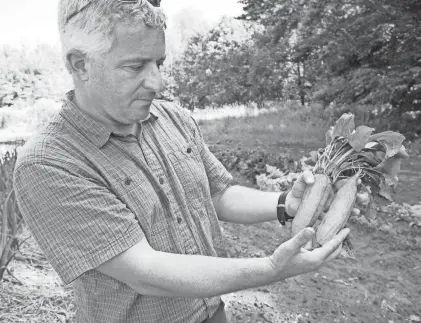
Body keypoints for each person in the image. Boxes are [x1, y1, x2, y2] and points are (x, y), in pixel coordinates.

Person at [13, 1, 365, 322]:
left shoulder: (172, 118)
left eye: (159, 63)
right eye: (135, 66)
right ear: (80, 64)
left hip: (212, 312)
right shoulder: (50, 162)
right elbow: (145, 272)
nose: (157, 82)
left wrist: (285, 203)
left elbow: (217, 194)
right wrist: (272, 268)